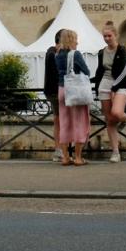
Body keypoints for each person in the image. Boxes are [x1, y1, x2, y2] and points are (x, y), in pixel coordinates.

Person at [93, 20, 126, 162]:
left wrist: (114, 89)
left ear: (116, 35)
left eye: (109, 36)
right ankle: (115, 152)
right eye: (104, 36)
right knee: (109, 120)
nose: (107, 38)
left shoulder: (122, 50)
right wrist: (92, 82)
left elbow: (123, 71)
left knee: (116, 113)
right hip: (104, 84)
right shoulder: (101, 52)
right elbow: (100, 71)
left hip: (121, 84)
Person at [56, 29, 91, 166]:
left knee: (64, 124)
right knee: (79, 123)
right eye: (76, 39)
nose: (77, 41)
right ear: (71, 40)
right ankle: (77, 157)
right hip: (75, 91)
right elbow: (86, 71)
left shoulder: (57, 54)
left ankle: (65, 157)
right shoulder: (75, 54)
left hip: (61, 89)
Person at [43, 29, 64, 162]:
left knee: (58, 120)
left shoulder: (51, 52)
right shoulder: (53, 54)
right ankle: (60, 150)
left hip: (52, 92)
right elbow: (57, 75)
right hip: (55, 92)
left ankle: (60, 150)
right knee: (60, 120)